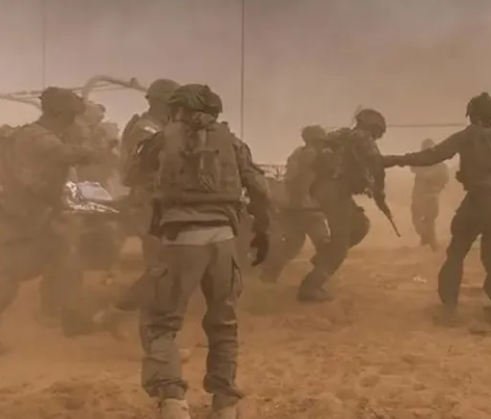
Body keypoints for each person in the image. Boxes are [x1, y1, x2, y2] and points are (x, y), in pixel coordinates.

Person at [136, 84, 270, 419]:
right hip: (223, 240)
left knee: (161, 323)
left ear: (178, 110)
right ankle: (225, 404)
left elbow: (131, 175)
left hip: (180, 240)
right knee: (224, 324)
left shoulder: (161, 139)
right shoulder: (233, 143)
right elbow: (260, 188)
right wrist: (263, 231)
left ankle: (172, 402)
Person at [383, 93, 491, 331]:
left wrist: (392, 160)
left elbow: (432, 156)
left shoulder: (467, 136)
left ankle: (449, 307)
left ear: (472, 115)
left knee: (457, 252)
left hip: (477, 200)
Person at [0, 87, 97, 354]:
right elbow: (66, 154)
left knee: (66, 258)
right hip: (15, 218)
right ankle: (68, 315)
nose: (73, 123)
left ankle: (72, 316)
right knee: (6, 278)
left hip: (32, 216)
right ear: (62, 116)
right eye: (72, 118)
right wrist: (89, 145)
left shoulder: (35, 135)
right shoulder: (37, 136)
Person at [92, 79, 181, 333]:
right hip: (150, 205)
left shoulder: (159, 128)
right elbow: (148, 169)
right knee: (162, 267)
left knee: (168, 266)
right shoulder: (147, 130)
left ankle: (124, 314)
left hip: (160, 203)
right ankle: (123, 316)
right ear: (163, 103)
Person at [297, 108, 388, 302]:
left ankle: (324, 256)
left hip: (325, 189)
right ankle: (311, 285)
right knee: (340, 244)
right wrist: (380, 193)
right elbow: (376, 164)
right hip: (335, 192)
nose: (376, 137)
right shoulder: (363, 138)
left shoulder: (341, 135)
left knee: (360, 224)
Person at [259, 125, 330, 283]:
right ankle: (316, 279)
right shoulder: (313, 155)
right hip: (307, 209)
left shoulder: (298, 154)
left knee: (292, 246)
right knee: (321, 243)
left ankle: (268, 275)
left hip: (296, 208)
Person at [410, 138, 450, 251]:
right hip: (424, 196)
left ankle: (429, 241)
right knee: (425, 221)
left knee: (424, 220)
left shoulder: (438, 164)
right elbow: (412, 168)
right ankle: (430, 241)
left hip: (428, 196)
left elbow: (445, 178)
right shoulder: (437, 164)